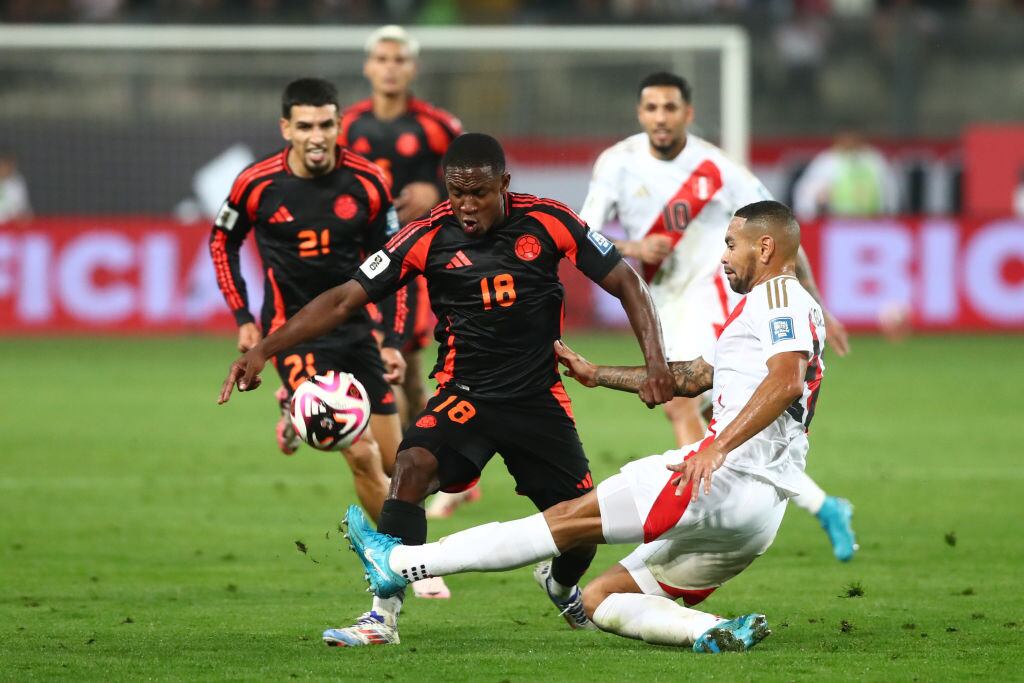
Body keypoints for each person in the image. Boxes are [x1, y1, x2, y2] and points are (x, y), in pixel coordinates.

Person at [218, 132, 676, 647]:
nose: (465, 205)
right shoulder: (426, 235)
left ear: (504, 184)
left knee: (582, 529)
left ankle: (560, 583)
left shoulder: (550, 220)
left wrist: (654, 364)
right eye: (456, 193)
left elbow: (626, 283)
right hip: (467, 396)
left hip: (538, 400)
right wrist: (265, 348)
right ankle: (380, 618)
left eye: (478, 192)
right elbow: (345, 298)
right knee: (410, 467)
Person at [342, 200, 822, 653]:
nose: (723, 257)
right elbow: (693, 377)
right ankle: (714, 630)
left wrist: (717, 449)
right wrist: (598, 375)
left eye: (731, 244)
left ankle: (399, 562)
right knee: (599, 599)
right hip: (759, 515)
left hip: (720, 477)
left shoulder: (778, 295)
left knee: (564, 523)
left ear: (765, 248)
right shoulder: (762, 311)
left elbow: (785, 381)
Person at [579, 72, 856, 561]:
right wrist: (635, 246)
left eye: (670, 108)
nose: (660, 118)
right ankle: (823, 504)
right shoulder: (617, 164)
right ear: (640, 114)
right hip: (658, 300)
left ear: (688, 113)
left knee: (679, 401)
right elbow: (585, 234)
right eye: (651, 108)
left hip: (712, 296)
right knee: (713, 409)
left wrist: (817, 301)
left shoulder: (716, 168)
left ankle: (689, 505)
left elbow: (778, 230)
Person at [209, 77, 404, 527]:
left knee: (398, 464)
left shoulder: (369, 181)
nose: (315, 135)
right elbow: (222, 242)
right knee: (360, 451)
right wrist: (242, 316)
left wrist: (390, 339)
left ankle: (293, 411)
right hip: (290, 333)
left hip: (356, 328)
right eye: (304, 126)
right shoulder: (256, 184)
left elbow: (395, 265)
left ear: (339, 125)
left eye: (324, 124)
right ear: (286, 128)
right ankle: (408, 562)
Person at [340, 25, 474, 522]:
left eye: (399, 59)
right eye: (382, 58)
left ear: (411, 68)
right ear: (368, 66)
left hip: (423, 260)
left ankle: (428, 464)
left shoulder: (439, 126)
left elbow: (478, 182)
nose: (390, 66)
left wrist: (436, 198)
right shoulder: (347, 126)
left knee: (410, 367)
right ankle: (429, 466)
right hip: (367, 259)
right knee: (399, 364)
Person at [792, 128, 899, 220]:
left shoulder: (875, 160)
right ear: (837, 139)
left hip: (873, 222)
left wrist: (891, 215)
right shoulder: (826, 161)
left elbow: (891, 192)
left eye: (853, 139)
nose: (850, 142)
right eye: (846, 138)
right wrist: (815, 203)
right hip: (837, 222)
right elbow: (805, 195)